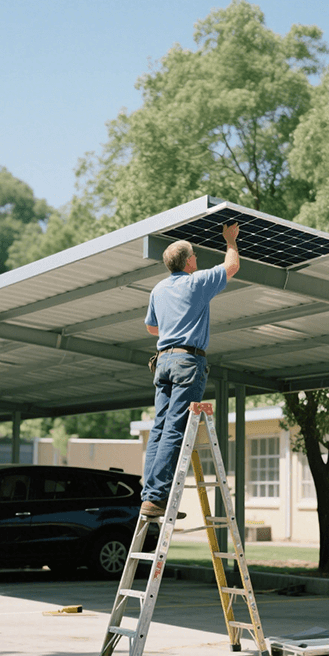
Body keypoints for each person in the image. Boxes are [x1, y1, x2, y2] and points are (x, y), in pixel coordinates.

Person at [140, 222, 240, 518]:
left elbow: (150, 327)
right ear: (188, 262)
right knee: (174, 428)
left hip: (163, 361)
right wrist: (230, 240)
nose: (196, 259)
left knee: (159, 427)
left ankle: (150, 495)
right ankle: (158, 498)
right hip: (187, 361)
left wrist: (172, 326)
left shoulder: (158, 289)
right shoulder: (196, 282)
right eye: (194, 255)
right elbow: (231, 266)